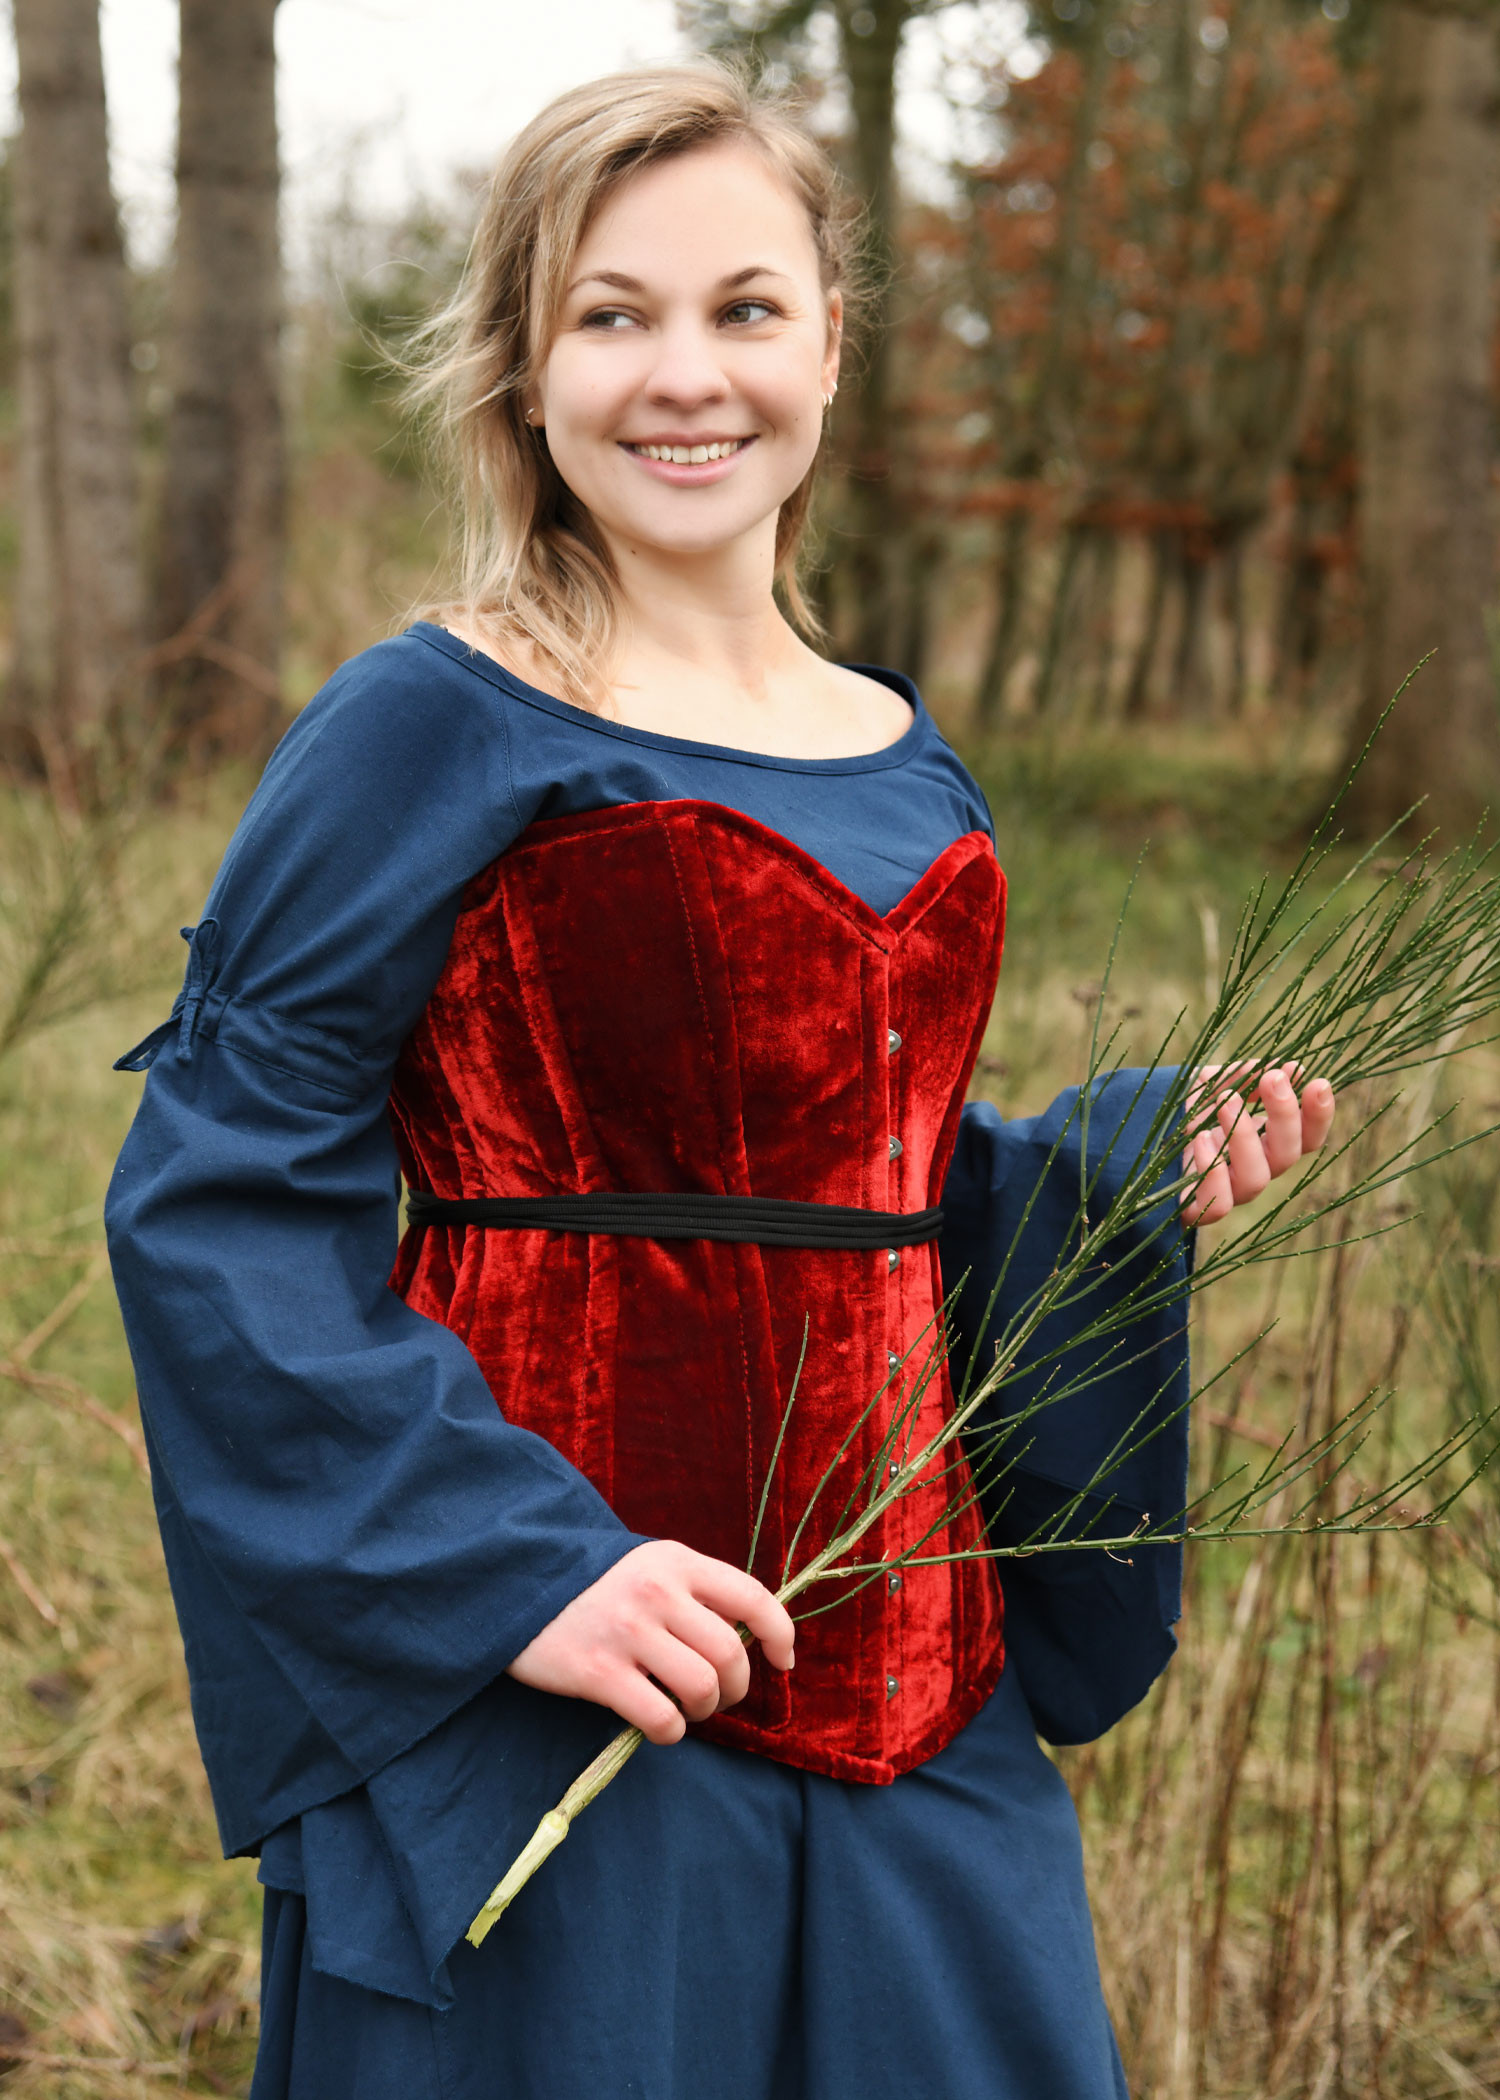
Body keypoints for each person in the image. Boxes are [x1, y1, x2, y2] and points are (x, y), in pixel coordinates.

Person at [105, 63, 1335, 2100]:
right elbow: (215, 1198)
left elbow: (856, 1176)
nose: (686, 375)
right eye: (615, 315)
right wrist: (514, 1573)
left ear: (831, 344)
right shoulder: (427, 722)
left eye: (743, 309)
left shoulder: (905, 752)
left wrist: (1113, 1168)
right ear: (526, 368)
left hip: (920, 1664)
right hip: (565, 1676)